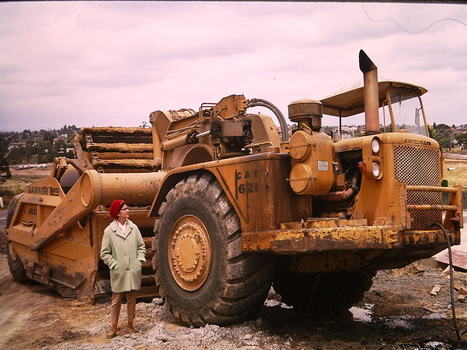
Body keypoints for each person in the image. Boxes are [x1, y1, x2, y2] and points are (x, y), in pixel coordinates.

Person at [100, 200, 146, 339]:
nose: (128, 211)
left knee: (132, 300)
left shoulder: (134, 228)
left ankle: (130, 325)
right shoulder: (109, 231)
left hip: (133, 271)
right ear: (118, 213)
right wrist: (114, 265)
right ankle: (113, 327)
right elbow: (104, 253)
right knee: (116, 301)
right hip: (119, 272)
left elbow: (141, 247)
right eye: (125, 209)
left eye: (127, 208)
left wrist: (139, 262)